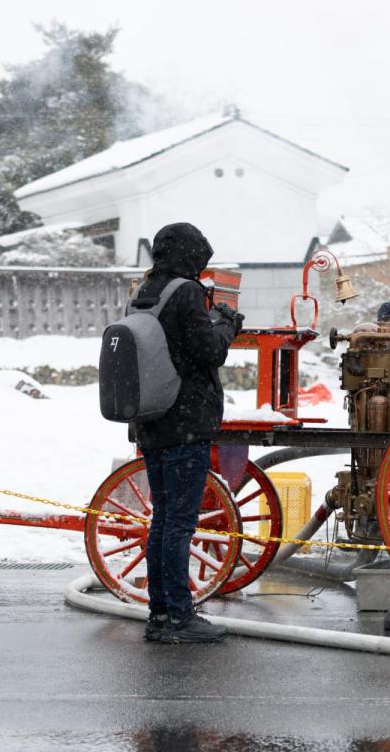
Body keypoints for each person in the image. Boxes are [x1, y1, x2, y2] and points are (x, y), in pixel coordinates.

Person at [132, 222, 242, 644]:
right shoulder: (185, 292)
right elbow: (208, 352)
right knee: (179, 524)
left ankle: (159, 613)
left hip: (152, 419)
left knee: (163, 521)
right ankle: (179, 616)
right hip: (186, 422)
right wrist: (227, 324)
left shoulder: (145, 293)